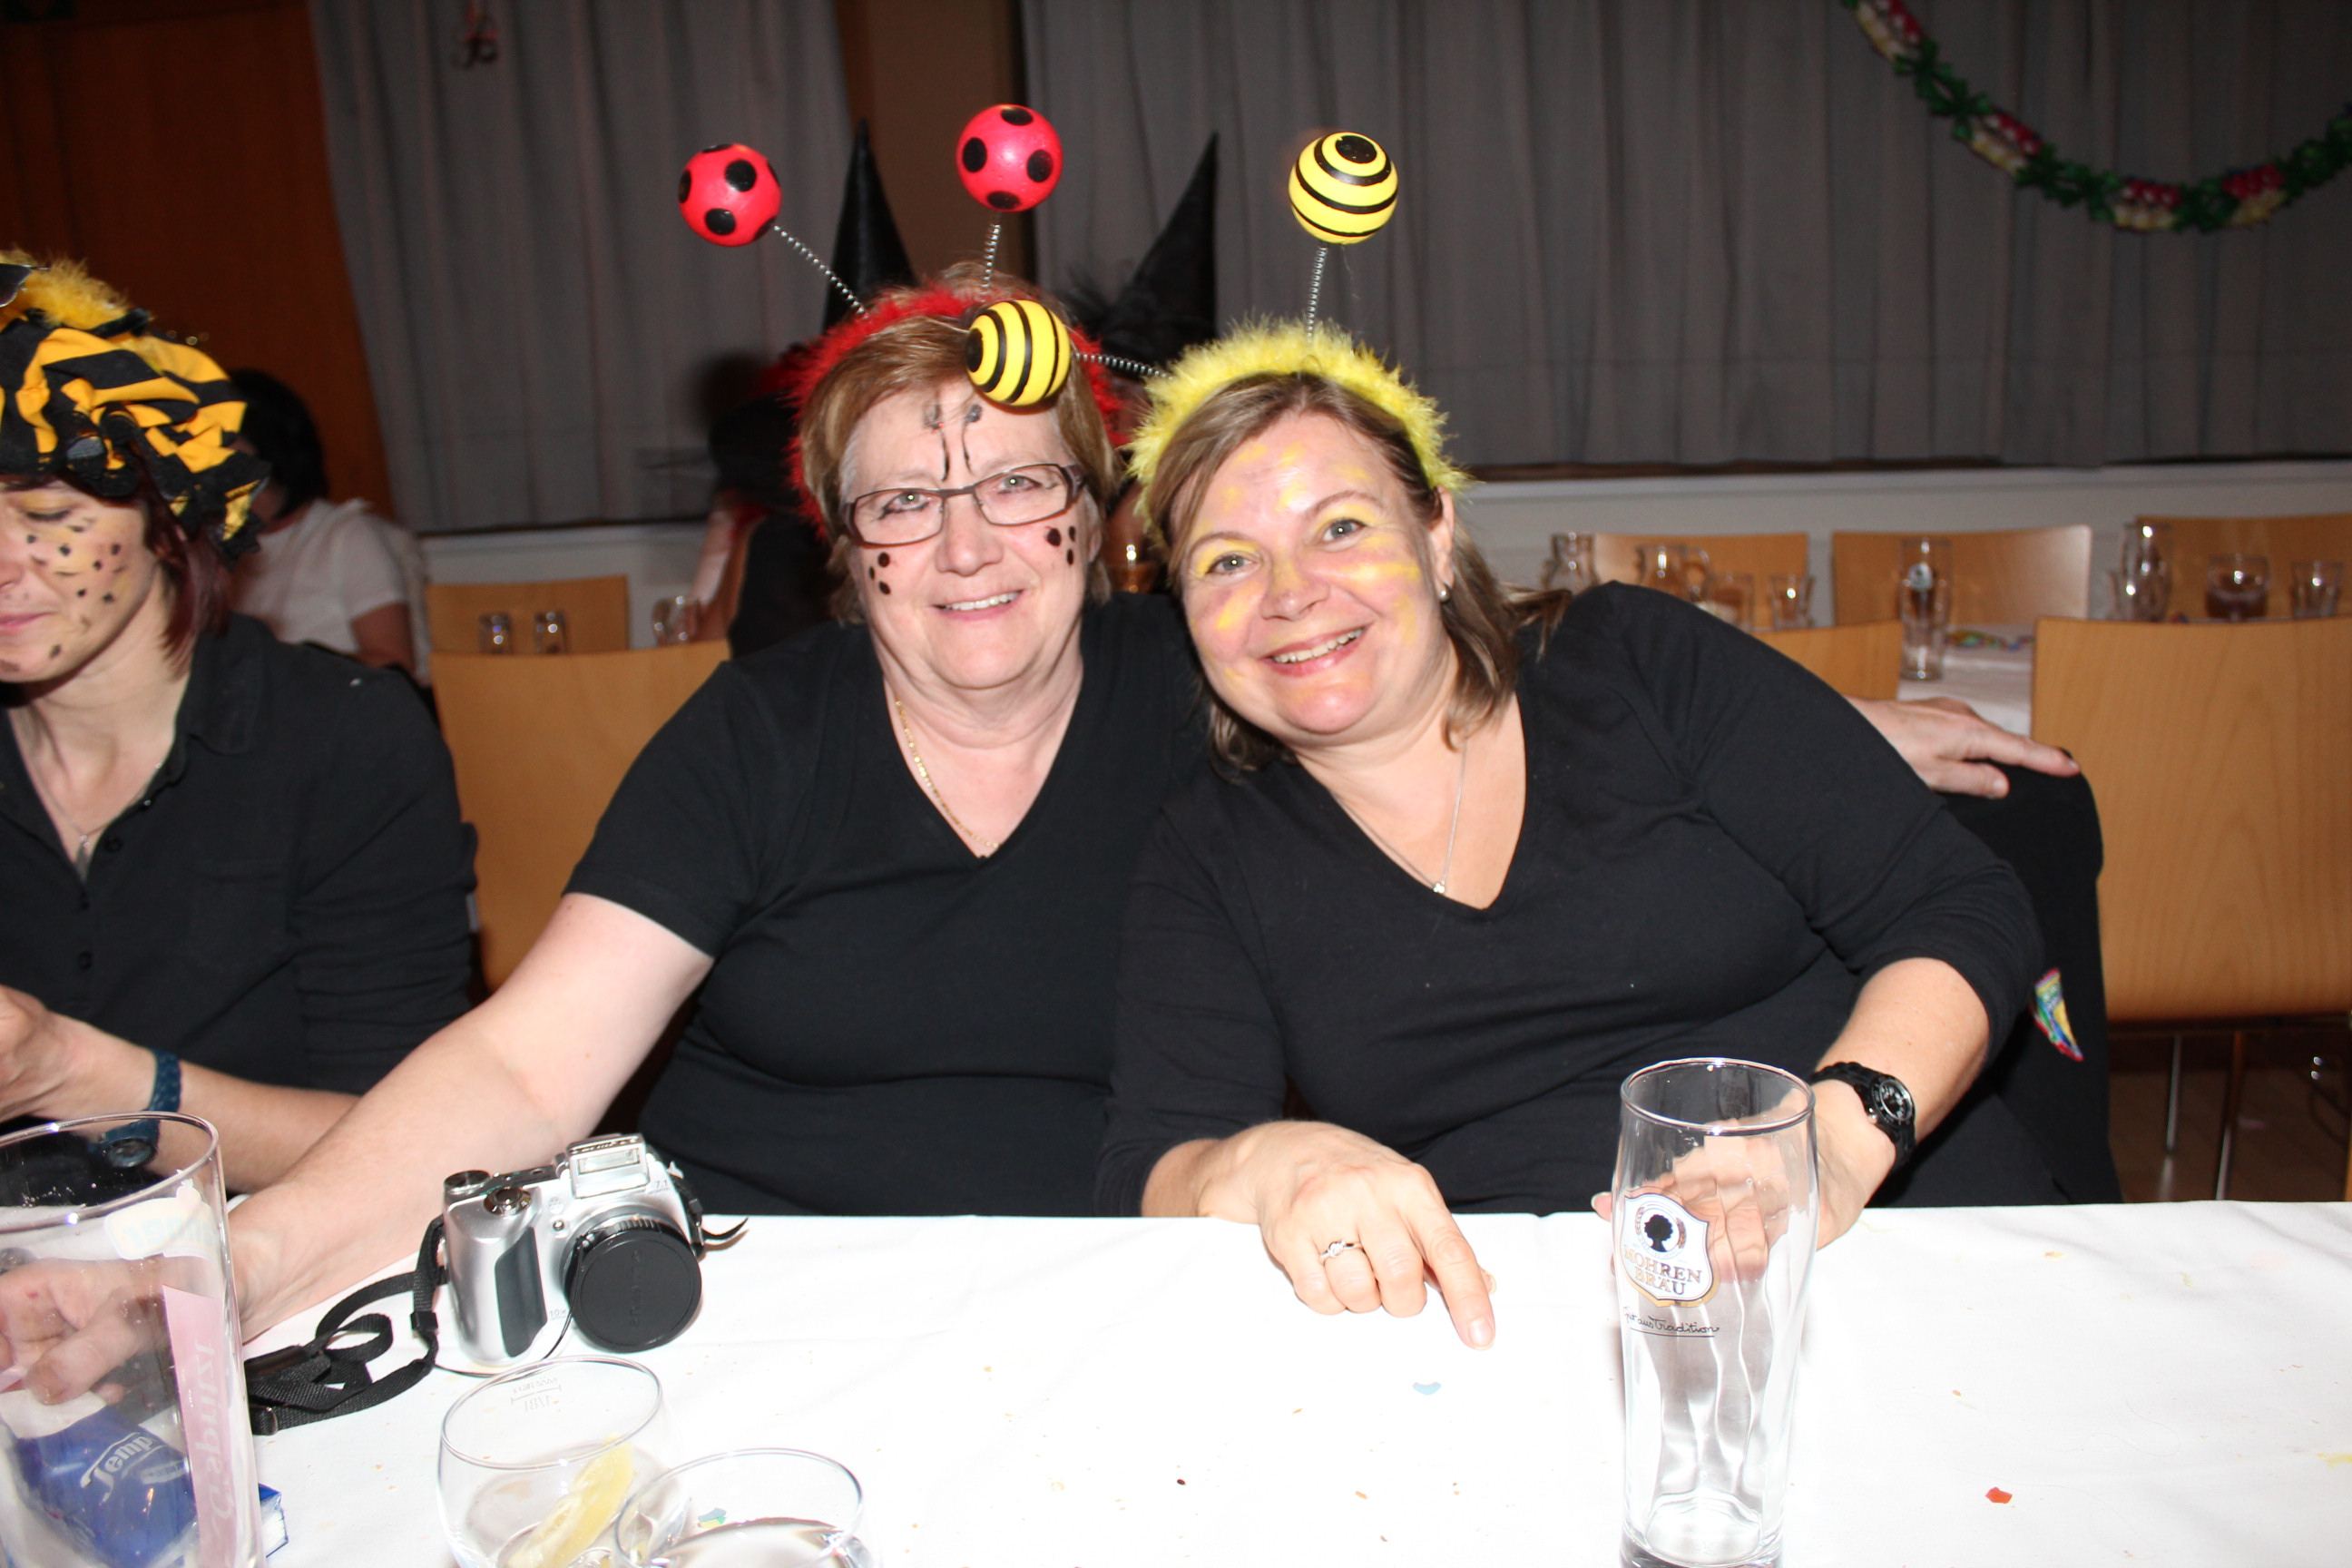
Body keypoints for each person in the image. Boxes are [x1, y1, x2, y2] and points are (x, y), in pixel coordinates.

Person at [1099, 323, 2058, 1349]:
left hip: (1897, 1259)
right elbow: (1155, 1162)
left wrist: (1831, 1137)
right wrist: (1268, 1164)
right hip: (1527, 1328)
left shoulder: (1633, 664)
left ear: (1435, 534)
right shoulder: (1211, 849)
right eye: (1228, 561)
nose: (1290, 593)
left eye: (1339, 528)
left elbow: (1958, 906)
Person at [0, 256, 474, 1191]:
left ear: (171, 518)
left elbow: (411, 1143)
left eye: (46, 515)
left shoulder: (340, 739)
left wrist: (67, 1070)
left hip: (267, 1249)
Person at [226, 368, 428, 680]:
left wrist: (287, 668)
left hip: (345, 702)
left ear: (275, 456)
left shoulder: (347, 535)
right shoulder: (218, 549)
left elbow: (394, 662)